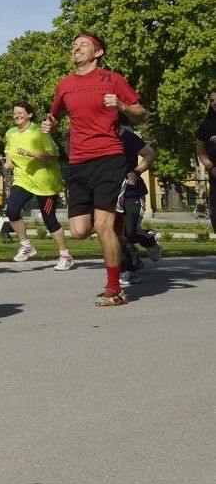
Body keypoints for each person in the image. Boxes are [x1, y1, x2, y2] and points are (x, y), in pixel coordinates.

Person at [42, 32, 148, 306]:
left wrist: (122, 105)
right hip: (78, 162)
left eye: (83, 45)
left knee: (102, 226)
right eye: (74, 45)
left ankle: (115, 289)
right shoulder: (64, 85)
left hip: (109, 159)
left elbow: (142, 114)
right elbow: (55, 115)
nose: (76, 48)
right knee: (79, 231)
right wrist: (50, 126)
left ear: (98, 52)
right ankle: (119, 232)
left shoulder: (112, 79)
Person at [2, 101, 74, 270]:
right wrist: (8, 161)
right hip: (23, 180)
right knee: (11, 210)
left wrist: (31, 153)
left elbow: (54, 155)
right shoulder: (10, 133)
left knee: (49, 219)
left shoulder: (40, 132)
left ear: (29, 114)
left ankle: (65, 255)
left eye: (20, 112)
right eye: (15, 113)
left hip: (45, 183)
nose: (17, 115)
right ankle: (27, 246)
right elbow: (8, 149)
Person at [115, 124, 160, 285]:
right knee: (115, 233)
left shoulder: (126, 135)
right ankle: (127, 269)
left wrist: (136, 172)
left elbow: (150, 154)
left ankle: (149, 239)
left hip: (131, 192)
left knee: (130, 231)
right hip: (109, 194)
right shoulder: (95, 137)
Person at [195, 90, 216, 235]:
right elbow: (200, 151)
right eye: (212, 100)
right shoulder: (206, 125)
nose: (215, 103)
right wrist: (210, 166)